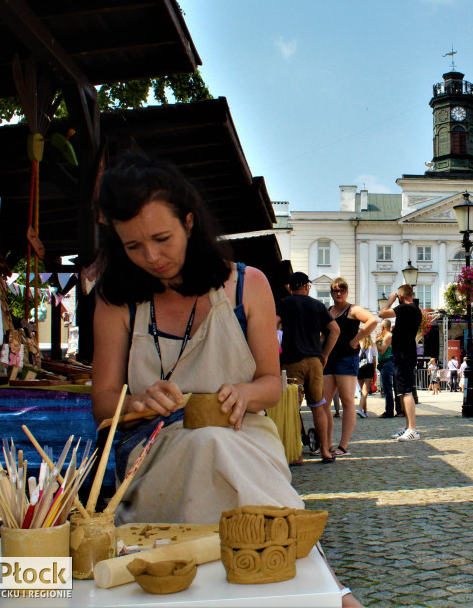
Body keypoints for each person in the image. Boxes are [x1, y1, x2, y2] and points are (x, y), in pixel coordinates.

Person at [88, 155, 359, 605]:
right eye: (133, 246)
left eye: (161, 238)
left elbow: (273, 384)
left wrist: (246, 392)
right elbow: (102, 404)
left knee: (219, 442)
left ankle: (317, 587)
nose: (151, 257)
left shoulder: (245, 285)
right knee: (206, 444)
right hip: (152, 450)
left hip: (245, 435)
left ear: (190, 223)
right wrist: (138, 401)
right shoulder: (117, 300)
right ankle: (325, 589)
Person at [276, 272, 340, 463]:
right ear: (307, 286)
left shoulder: (283, 303)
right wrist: (325, 354)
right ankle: (326, 451)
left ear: (290, 287)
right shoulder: (317, 305)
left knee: (292, 408)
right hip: (314, 361)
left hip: (291, 361)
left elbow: (272, 325)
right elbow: (335, 330)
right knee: (318, 407)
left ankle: (295, 455)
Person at [323, 278, 378, 457]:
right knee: (323, 403)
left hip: (347, 358)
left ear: (347, 292)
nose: (339, 293)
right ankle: (326, 444)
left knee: (347, 401)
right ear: (331, 293)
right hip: (328, 359)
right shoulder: (328, 311)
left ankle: (343, 446)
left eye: (342, 290)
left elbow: (372, 320)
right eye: (335, 290)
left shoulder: (352, 309)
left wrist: (356, 339)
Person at [378, 285, 423, 441]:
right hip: (406, 352)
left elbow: (381, 313)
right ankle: (408, 427)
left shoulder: (405, 308)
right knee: (403, 391)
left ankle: (412, 429)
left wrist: (390, 301)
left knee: (406, 391)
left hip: (403, 354)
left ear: (401, 297)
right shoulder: (416, 310)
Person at [376, 320, 395, 417]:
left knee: (387, 387)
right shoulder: (389, 336)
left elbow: (382, 351)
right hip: (387, 363)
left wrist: (378, 343)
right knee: (388, 387)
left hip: (387, 363)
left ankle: (389, 411)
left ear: (383, 327)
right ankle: (390, 410)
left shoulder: (388, 336)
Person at [356, 335, 377, 418]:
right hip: (368, 367)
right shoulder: (372, 346)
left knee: (362, 391)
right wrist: (374, 370)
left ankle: (365, 411)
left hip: (360, 367)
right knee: (365, 390)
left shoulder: (359, 345)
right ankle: (360, 409)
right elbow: (374, 360)